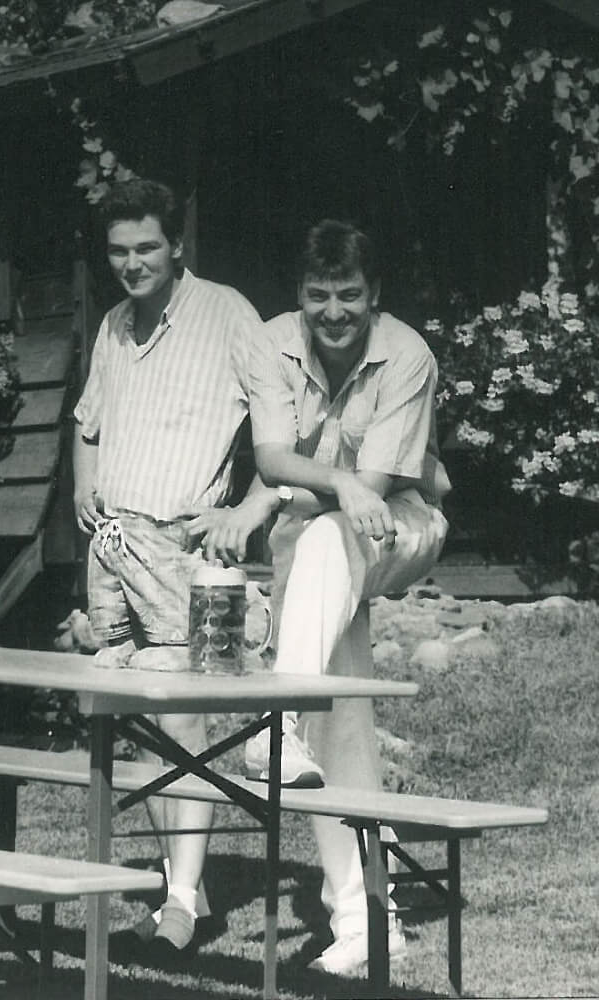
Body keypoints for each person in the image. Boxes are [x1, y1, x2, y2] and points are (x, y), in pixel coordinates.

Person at [71, 178, 284, 954]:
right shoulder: (113, 327)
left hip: (182, 546)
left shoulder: (228, 314)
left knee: (181, 714)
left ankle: (184, 901)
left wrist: (243, 512)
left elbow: (282, 437)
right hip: (113, 548)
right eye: (120, 251)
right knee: (142, 725)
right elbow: (88, 425)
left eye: (147, 248)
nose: (133, 263)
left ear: (177, 244)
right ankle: (175, 886)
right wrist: (81, 488)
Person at [242, 220, 450, 975]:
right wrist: (330, 484)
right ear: (299, 293)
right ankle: (367, 919)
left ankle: (275, 723)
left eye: (350, 295)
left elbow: (386, 486)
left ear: (376, 294)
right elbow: (271, 457)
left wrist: (329, 492)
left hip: (401, 527)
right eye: (318, 294)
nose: (334, 310)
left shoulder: (408, 355)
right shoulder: (269, 343)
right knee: (341, 718)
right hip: (314, 543)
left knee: (331, 542)